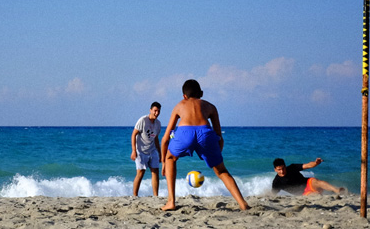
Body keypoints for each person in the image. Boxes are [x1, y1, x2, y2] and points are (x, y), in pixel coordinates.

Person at [159, 79, 250, 211]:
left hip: (185, 132)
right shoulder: (210, 106)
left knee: (170, 158)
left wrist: (163, 162)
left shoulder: (179, 105)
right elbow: (219, 136)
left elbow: (165, 138)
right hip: (206, 134)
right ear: (201, 93)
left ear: (184, 96)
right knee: (222, 171)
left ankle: (171, 202)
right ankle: (243, 203)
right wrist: (216, 155)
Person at [131, 102, 162, 197]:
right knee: (140, 173)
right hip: (141, 151)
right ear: (150, 110)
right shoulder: (143, 120)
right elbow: (134, 134)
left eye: (158, 111)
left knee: (155, 171)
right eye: (155, 111)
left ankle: (156, 196)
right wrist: (134, 151)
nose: (156, 113)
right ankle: (135, 195)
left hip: (152, 150)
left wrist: (160, 153)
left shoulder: (158, 123)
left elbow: (156, 139)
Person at [271, 157, 346, 196]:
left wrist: (316, 163)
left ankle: (337, 190)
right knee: (315, 195)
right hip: (304, 193)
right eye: (279, 169)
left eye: (283, 168)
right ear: (275, 170)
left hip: (308, 183)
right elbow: (272, 194)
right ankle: (326, 193)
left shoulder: (292, 167)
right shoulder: (277, 182)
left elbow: (308, 165)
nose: (282, 171)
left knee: (316, 181)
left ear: (285, 166)